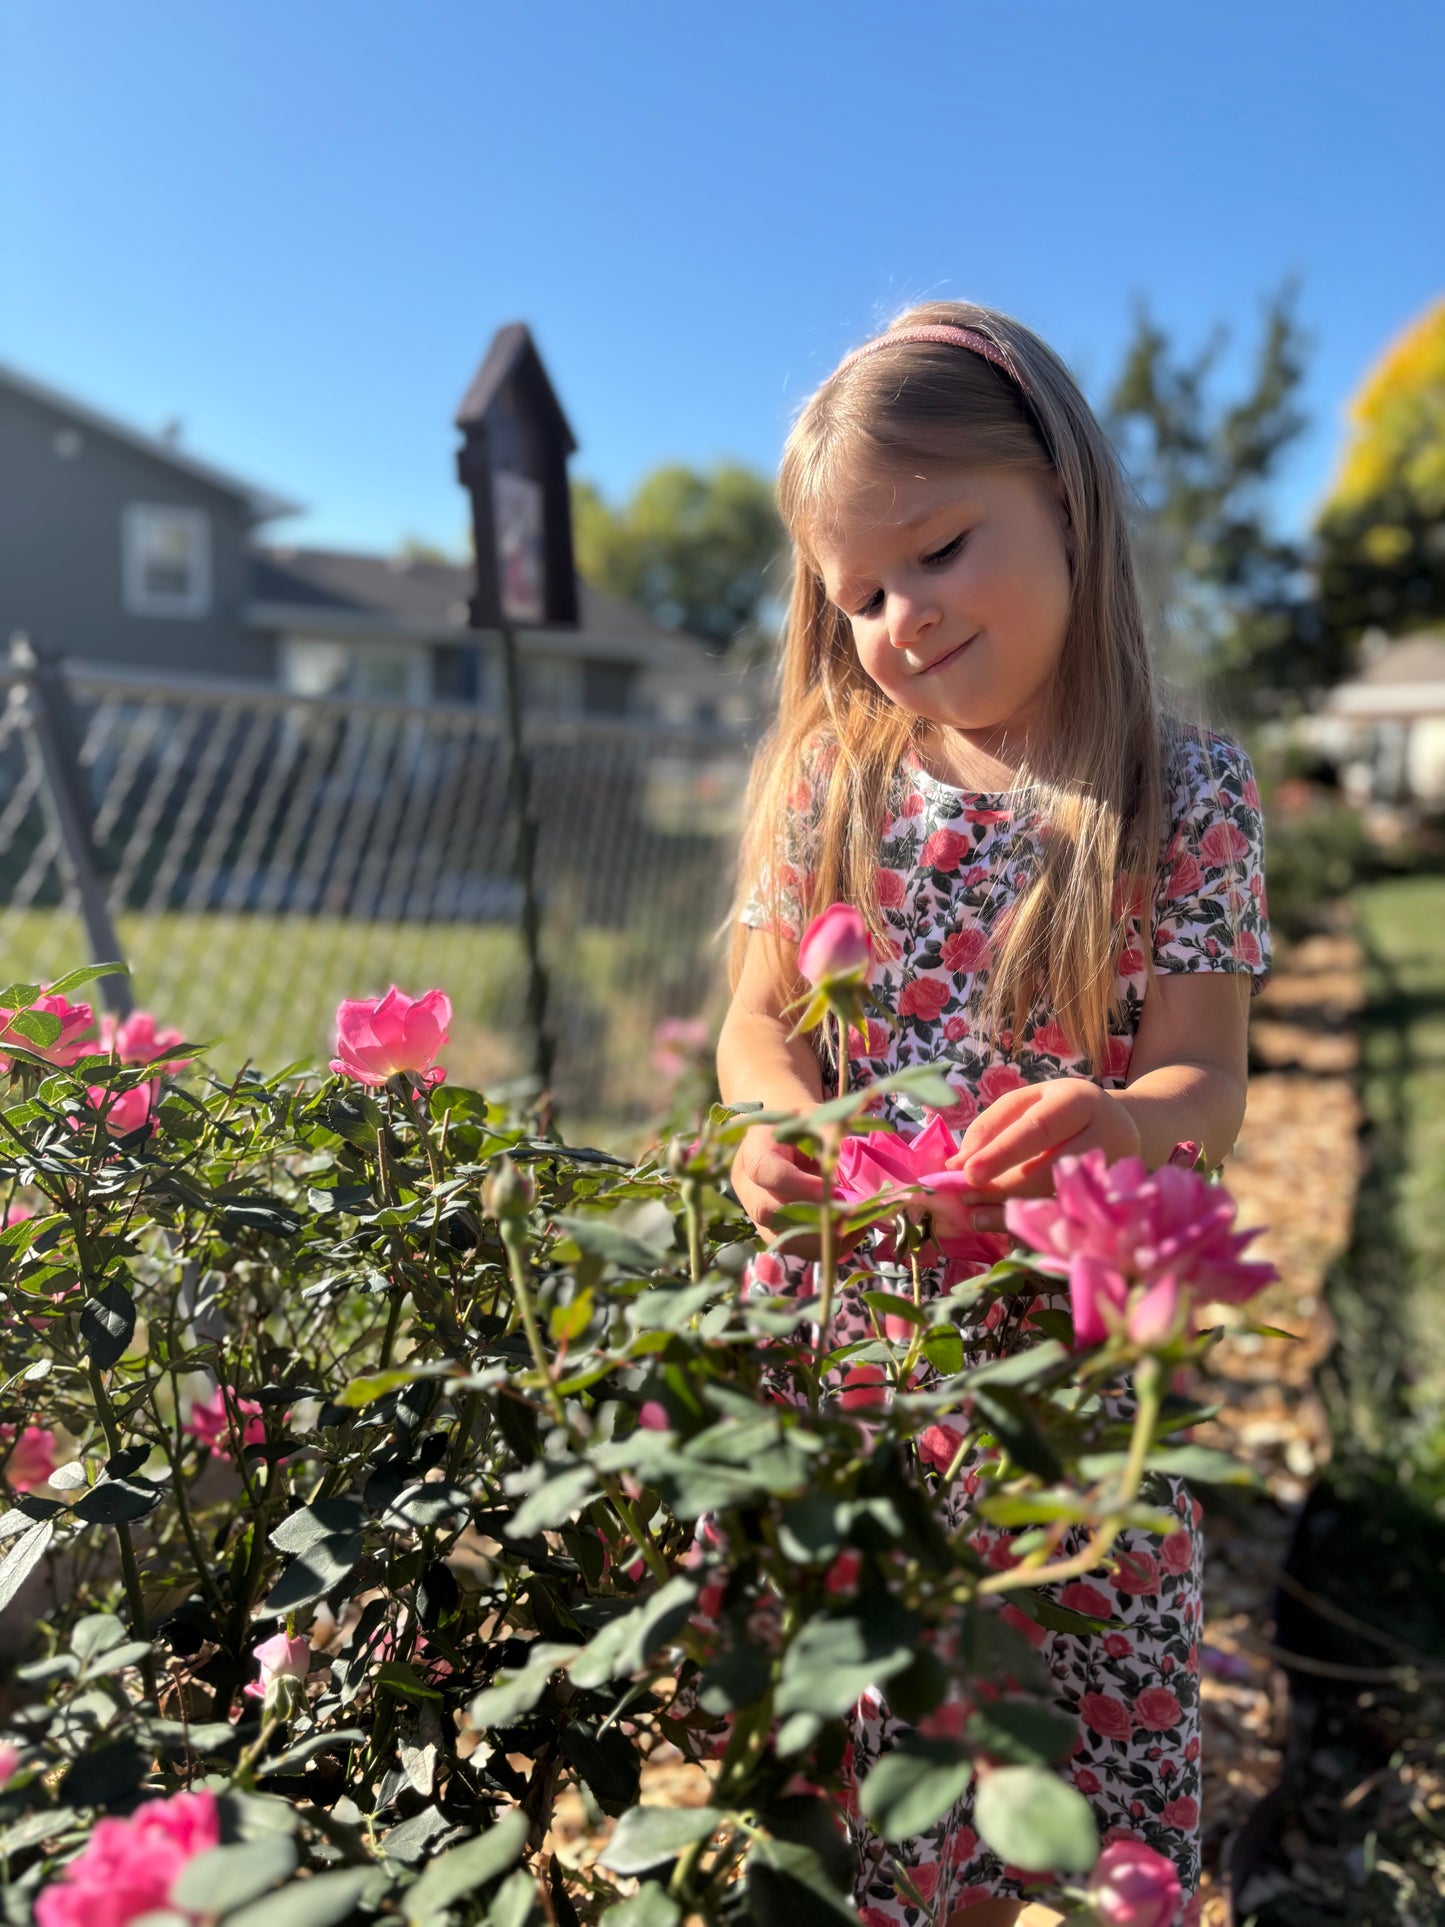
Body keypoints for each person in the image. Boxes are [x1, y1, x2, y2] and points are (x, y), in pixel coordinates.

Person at [716, 301, 1270, 1927]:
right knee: (887, 1723)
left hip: (1068, 1363)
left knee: (1061, 1710)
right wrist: (773, 1125)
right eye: (860, 595)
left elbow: (1207, 1082)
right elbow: (757, 1025)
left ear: (1066, 503)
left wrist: (1120, 1126)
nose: (902, 619)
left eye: (940, 548)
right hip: (862, 1337)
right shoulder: (833, 788)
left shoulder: (1181, 795)